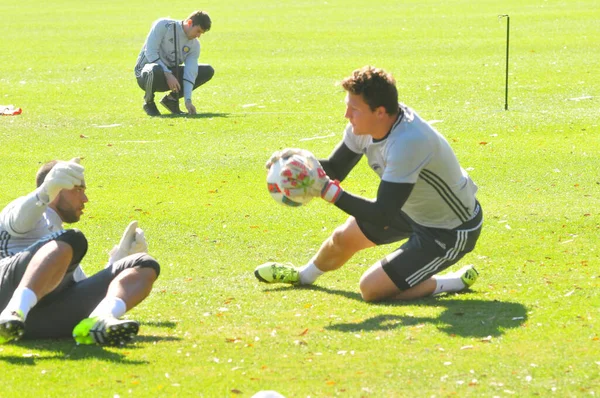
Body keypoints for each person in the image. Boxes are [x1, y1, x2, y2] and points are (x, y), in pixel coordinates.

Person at [254, 66, 483, 302]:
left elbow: (382, 214)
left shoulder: (408, 142)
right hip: (407, 207)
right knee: (342, 238)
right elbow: (335, 168)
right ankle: (303, 276)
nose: (346, 115)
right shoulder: (364, 127)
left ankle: (452, 282)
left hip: (450, 228)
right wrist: (296, 164)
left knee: (371, 289)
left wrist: (327, 191)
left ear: (380, 112)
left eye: (354, 109)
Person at [0, 158, 160, 345]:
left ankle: (98, 321)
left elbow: (81, 289)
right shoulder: (28, 210)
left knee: (145, 263)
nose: (85, 199)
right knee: (72, 238)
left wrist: (120, 260)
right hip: (4, 297)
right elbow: (18, 221)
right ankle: (12, 312)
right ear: (58, 186)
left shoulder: (62, 247)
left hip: (42, 321)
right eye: (78, 190)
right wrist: (45, 191)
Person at [134, 10, 214, 116]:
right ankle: (148, 102)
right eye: (198, 31)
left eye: (201, 33)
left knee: (207, 70)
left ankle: (171, 100)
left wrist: (188, 101)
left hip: (170, 77)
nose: (198, 36)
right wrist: (167, 73)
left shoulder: (194, 45)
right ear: (189, 23)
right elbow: (150, 52)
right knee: (155, 69)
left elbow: (191, 72)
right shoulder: (163, 25)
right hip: (146, 73)